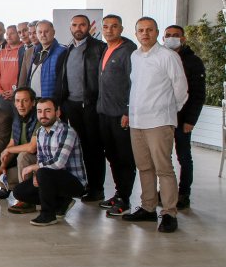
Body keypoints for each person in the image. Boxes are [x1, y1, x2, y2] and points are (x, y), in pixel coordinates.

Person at [122, 17, 188, 233]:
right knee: (144, 167)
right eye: (141, 30)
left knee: (163, 168)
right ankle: (148, 207)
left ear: (157, 32)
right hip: (137, 121)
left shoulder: (167, 56)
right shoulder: (135, 56)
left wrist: (167, 110)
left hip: (159, 122)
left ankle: (169, 212)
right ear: (136, 34)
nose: (145, 34)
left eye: (149, 30)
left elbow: (181, 89)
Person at [53, 14, 106, 202]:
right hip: (71, 106)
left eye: (82, 25)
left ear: (88, 27)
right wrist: (60, 104)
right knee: (79, 148)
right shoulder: (67, 50)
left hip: (90, 106)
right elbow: (61, 80)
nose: (78, 28)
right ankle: (85, 184)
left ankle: (97, 189)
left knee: (94, 148)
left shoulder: (99, 48)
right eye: (75, 25)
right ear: (70, 28)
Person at [11, 97, 87, 226]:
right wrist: (37, 175)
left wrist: (34, 168)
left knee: (43, 172)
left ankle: (48, 215)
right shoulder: (40, 132)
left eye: (47, 111)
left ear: (57, 112)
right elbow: (41, 158)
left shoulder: (66, 131)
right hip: (50, 178)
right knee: (19, 191)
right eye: (39, 111)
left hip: (73, 182)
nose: (43, 115)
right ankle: (62, 202)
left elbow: (59, 163)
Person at [96, 15, 137, 215]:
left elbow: (134, 83)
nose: (109, 30)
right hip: (104, 112)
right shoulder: (106, 48)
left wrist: (127, 111)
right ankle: (118, 194)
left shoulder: (128, 50)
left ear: (121, 28)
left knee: (124, 157)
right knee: (112, 156)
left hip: (120, 115)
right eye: (106, 27)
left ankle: (125, 199)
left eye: (114, 27)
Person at [164, 24, 206, 209]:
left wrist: (190, 120)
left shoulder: (193, 61)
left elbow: (198, 94)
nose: (171, 38)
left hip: (182, 119)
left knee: (183, 157)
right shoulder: (162, 57)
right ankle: (166, 191)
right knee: (164, 158)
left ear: (183, 38)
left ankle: (183, 193)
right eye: (168, 35)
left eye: (175, 35)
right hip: (163, 117)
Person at [0, 87, 41, 209]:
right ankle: (33, 191)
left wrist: (8, 150)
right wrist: (3, 165)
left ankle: (26, 199)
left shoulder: (38, 118)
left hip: (40, 163)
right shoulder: (17, 119)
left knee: (23, 155)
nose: (21, 105)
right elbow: (12, 143)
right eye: (17, 101)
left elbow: (32, 148)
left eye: (25, 101)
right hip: (25, 167)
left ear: (33, 103)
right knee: (0, 180)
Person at [23, 20, 66, 99]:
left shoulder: (62, 52)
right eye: (40, 32)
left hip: (49, 100)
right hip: (33, 99)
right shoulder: (36, 51)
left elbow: (62, 82)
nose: (43, 35)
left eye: (46, 31)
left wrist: (56, 102)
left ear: (53, 32)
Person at [0, 25, 22, 119]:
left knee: (19, 122)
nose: (8, 36)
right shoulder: (1, 53)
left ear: (18, 34)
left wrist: (16, 91)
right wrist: (0, 91)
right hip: (3, 96)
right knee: (5, 122)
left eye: (12, 33)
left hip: (18, 95)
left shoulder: (24, 51)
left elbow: (26, 75)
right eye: (7, 34)